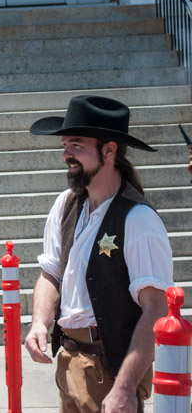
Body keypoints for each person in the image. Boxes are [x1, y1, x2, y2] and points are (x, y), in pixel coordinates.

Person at [23, 96, 174, 413]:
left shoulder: (138, 220)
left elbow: (155, 310)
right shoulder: (66, 204)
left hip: (109, 369)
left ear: (109, 150)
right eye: (65, 144)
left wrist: (125, 388)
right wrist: (40, 322)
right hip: (68, 362)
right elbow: (51, 273)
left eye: (76, 145)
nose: (66, 154)